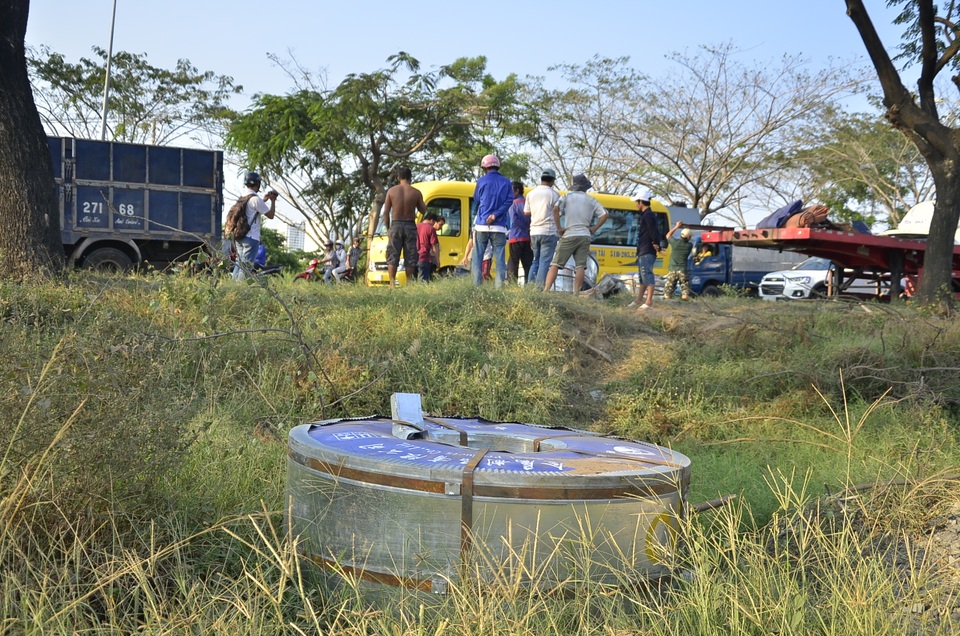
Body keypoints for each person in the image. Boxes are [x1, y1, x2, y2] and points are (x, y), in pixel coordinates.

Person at [542, 174, 608, 294]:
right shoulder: (591, 200)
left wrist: (559, 228)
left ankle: (546, 290)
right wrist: (594, 228)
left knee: (556, 264)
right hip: (585, 235)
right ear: (585, 187)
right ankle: (576, 293)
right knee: (580, 266)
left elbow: (556, 209)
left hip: (569, 234)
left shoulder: (567, 196)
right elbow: (604, 214)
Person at [472, 154, 513, 288]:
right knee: (500, 258)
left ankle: (476, 288)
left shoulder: (481, 181)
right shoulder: (506, 182)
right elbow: (509, 201)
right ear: (498, 166)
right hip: (499, 227)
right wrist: (495, 214)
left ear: (484, 167)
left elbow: (477, 199)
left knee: (478, 257)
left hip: (482, 225)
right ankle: (499, 287)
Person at [383, 167, 427, 286]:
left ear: (398, 178)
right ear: (410, 178)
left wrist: (388, 229)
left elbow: (386, 213)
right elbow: (423, 210)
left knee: (393, 254)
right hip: (410, 225)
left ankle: (392, 283)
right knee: (411, 255)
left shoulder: (391, 191)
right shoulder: (415, 192)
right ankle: (409, 282)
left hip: (396, 225)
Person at [232, 171, 277, 281]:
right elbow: (270, 215)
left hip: (239, 235)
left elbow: (251, 209)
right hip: (251, 238)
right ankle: (239, 290)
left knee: (239, 264)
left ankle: (232, 286)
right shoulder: (256, 199)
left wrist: (264, 200)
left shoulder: (242, 197)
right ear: (258, 184)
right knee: (246, 267)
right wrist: (273, 201)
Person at [525, 168, 561, 287]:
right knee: (544, 262)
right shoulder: (554, 194)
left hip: (534, 232)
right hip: (548, 232)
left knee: (535, 260)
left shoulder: (531, 194)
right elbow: (558, 212)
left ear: (542, 179)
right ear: (552, 181)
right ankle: (539, 289)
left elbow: (526, 212)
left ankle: (530, 287)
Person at [627, 188, 661, 310]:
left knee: (648, 274)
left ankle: (649, 301)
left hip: (647, 250)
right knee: (642, 276)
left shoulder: (648, 215)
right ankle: (639, 299)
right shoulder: (646, 215)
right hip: (643, 249)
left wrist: (656, 243)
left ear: (641, 202)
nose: (636, 204)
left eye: (637, 201)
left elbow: (654, 232)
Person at [507, 180, 532, 284]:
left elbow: (514, 220)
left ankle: (512, 285)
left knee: (513, 262)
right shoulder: (528, 202)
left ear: (516, 191)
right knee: (528, 264)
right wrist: (528, 228)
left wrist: (524, 227)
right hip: (528, 238)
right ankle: (529, 285)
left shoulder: (513, 204)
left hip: (515, 237)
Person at [662, 221, 694, 300]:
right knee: (685, 289)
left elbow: (668, 235)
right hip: (682, 270)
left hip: (672, 269)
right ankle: (684, 305)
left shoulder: (675, 243)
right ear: (689, 237)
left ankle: (668, 304)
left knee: (668, 290)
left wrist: (676, 226)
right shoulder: (689, 245)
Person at [417, 212, 444, 282]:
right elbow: (434, 247)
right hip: (424, 258)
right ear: (432, 220)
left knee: (413, 281)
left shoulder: (415, 226)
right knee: (423, 282)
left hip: (412, 258)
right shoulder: (430, 229)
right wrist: (437, 261)